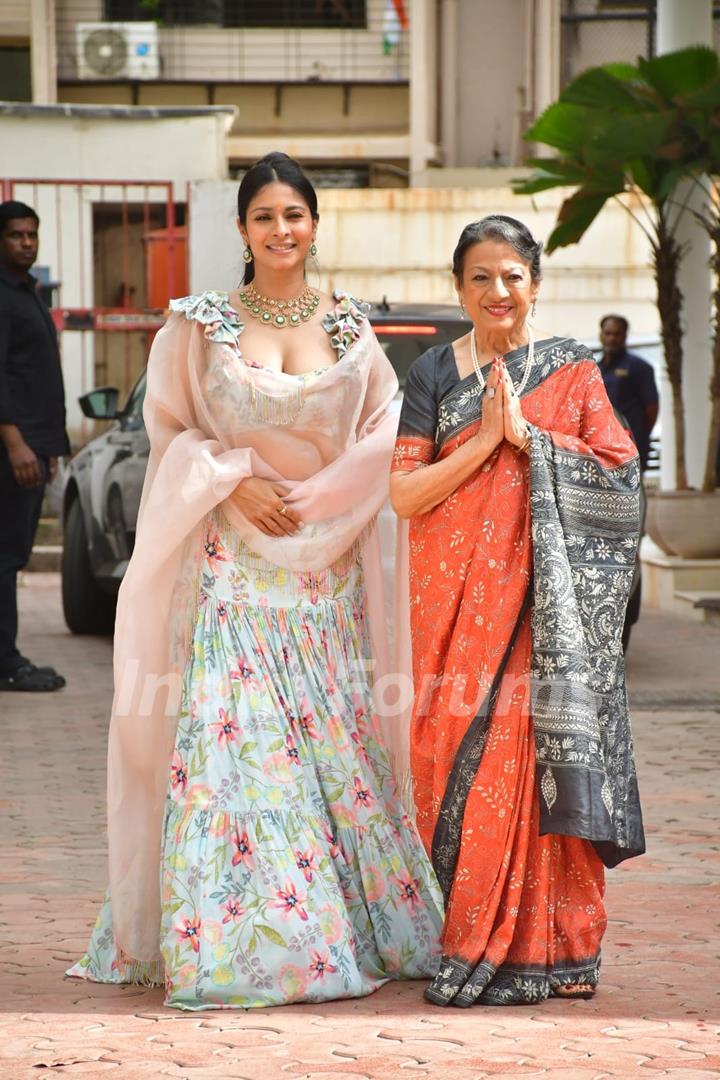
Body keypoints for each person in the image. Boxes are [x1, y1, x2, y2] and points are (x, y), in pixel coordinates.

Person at [68, 152, 443, 1010]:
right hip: (234, 564)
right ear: (241, 229)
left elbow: (387, 433)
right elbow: (170, 433)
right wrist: (235, 479)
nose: (282, 230)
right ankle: (248, 942)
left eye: (296, 215)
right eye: (266, 216)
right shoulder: (198, 326)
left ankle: (352, 919)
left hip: (328, 569)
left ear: (315, 225)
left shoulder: (350, 329)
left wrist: (322, 499)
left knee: (330, 744)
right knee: (240, 752)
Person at [390, 215, 645, 1007]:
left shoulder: (573, 374)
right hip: (451, 611)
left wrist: (531, 440)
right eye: (480, 278)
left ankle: (549, 949)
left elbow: (619, 477)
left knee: (535, 761)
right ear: (458, 286)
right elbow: (405, 495)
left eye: (512, 276)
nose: (497, 292)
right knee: (447, 755)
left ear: (535, 282)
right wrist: (485, 441)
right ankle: (470, 935)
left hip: (543, 615)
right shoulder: (434, 373)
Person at [0, 200, 68, 693]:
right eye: (15, 235)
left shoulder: (26, 292)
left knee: (13, 555)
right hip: (13, 451)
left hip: (34, 445)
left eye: (31, 235)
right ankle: (6, 661)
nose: (26, 242)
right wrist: (16, 442)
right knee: (6, 556)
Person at [599, 314, 659, 470]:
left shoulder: (640, 368)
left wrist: (639, 434)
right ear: (601, 335)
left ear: (625, 336)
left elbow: (652, 408)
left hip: (631, 444)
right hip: (601, 444)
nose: (612, 338)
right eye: (608, 333)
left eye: (617, 334)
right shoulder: (594, 368)